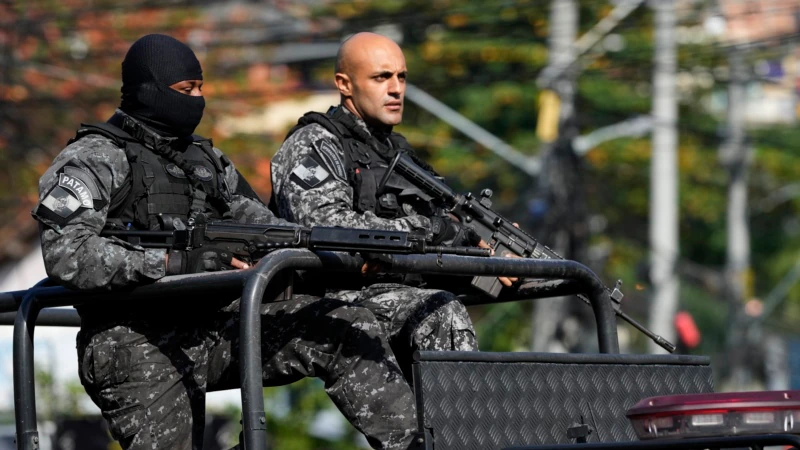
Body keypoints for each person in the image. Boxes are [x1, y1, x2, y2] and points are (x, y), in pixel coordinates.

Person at [32, 34, 419, 450]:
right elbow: (67, 252)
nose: (197, 99)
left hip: (213, 327)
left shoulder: (205, 161)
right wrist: (177, 263)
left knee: (345, 326)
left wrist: (344, 253)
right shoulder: (94, 157)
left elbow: (268, 231)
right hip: (132, 340)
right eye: (185, 91)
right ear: (148, 91)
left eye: (200, 88)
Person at [271, 32, 505, 380]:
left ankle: (452, 429)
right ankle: (459, 431)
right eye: (382, 77)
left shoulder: (396, 151)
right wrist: (437, 231)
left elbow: (446, 218)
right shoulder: (314, 144)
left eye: (402, 76)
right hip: (327, 300)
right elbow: (330, 229)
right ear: (344, 84)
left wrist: (491, 247)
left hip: (394, 291)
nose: (396, 88)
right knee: (440, 311)